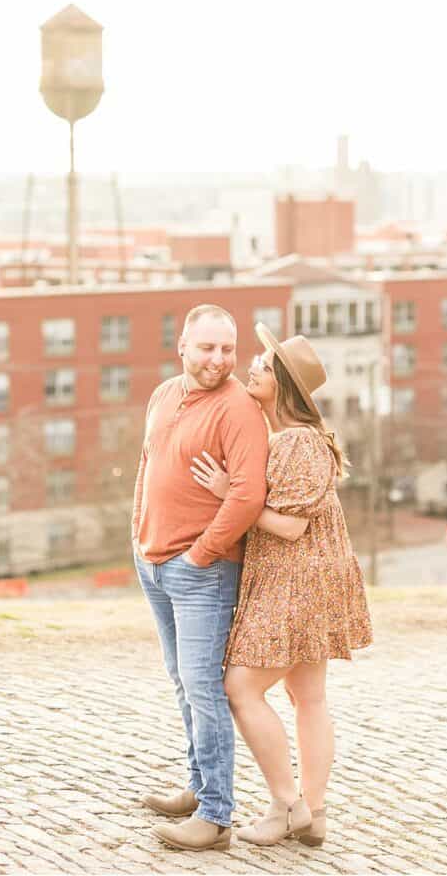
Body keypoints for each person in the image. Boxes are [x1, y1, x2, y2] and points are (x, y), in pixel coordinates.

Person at [190, 322, 373, 847]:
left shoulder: (294, 442)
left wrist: (233, 496)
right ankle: (313, 813)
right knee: (307, 695)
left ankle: (285, 803)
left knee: (240, 689)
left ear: (284, 386)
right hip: (316, 579)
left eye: (263, 366)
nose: (252, 365)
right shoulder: (303, 439)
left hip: (295, 582)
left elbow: (290, 525)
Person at [132, 304, 306, 853]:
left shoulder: (237, 410)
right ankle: (198, 785)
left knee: (205, 690)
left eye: (227, 349)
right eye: (207, 348)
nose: (219, 360)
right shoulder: (164, 394)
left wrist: (203, 553)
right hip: (153, 562)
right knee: (184, 683)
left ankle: (215, 815)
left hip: (199, 572)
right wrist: (138, 531)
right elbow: (148, 462)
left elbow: (247, 495)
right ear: (182, 344)